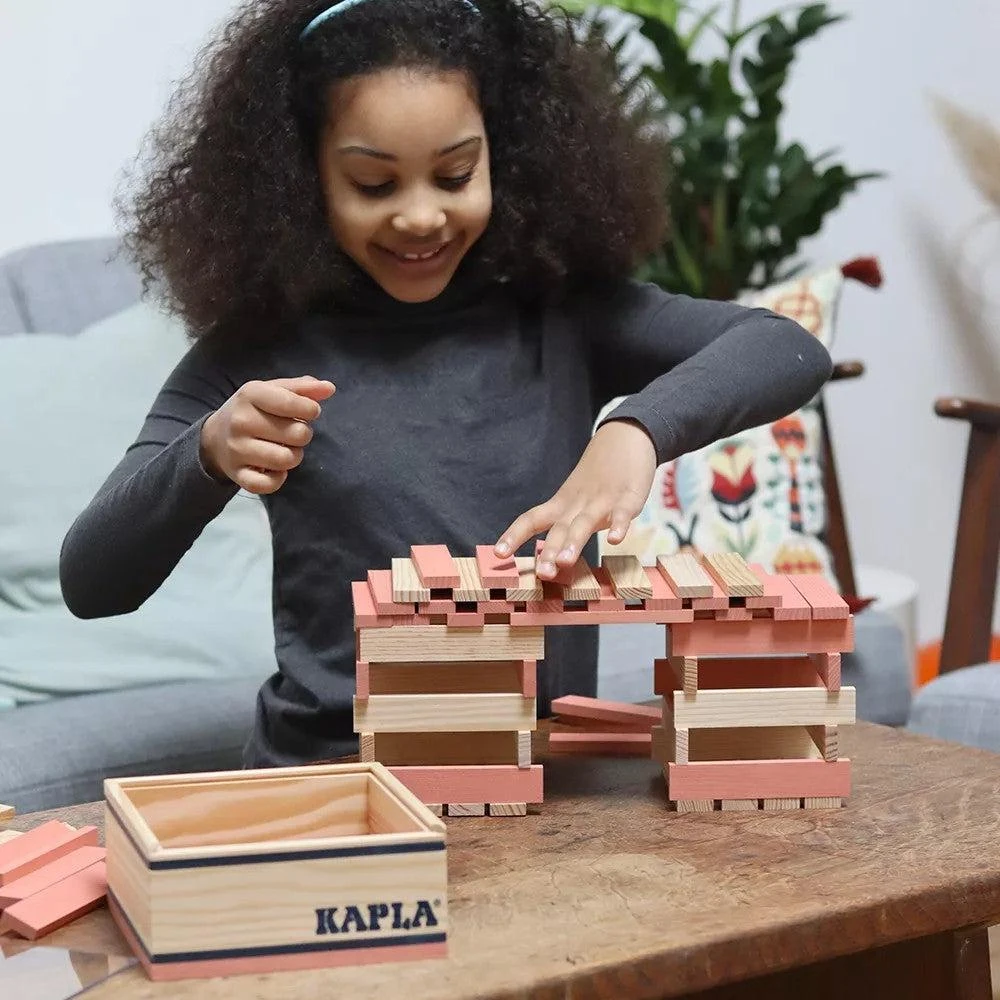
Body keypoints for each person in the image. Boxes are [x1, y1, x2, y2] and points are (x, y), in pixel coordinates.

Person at [60, 0, 833, 768]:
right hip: (334, 779)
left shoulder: (564, 316)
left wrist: (636, 430)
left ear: (508, 152)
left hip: (538, 791)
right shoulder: (256, 353)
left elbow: (784, 347)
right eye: (374, 185)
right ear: (304, 179)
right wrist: (205, 453)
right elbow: (92, 581)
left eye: (456, 173)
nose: (422, 216)